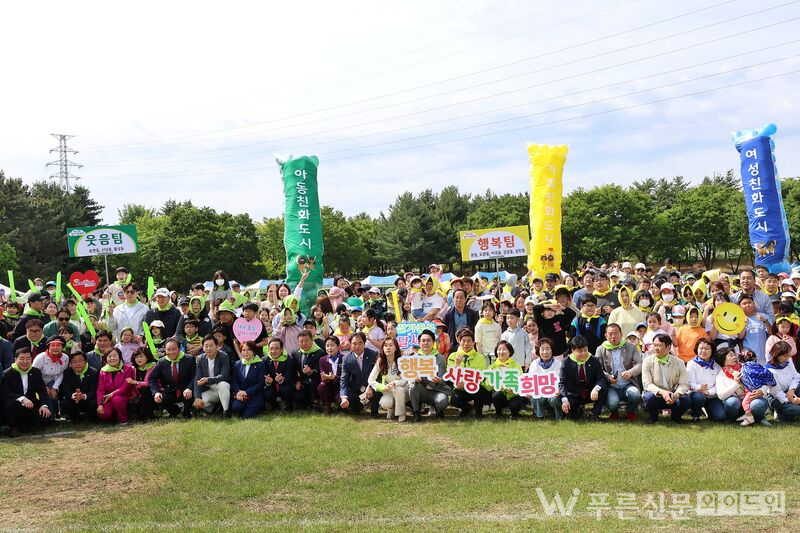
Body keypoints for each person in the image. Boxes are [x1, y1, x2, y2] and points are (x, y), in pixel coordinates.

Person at [595, 323, 642, 422]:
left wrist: (630, 372)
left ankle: (630, 411)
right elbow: (598, 369)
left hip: (628, 384)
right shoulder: (600, 349)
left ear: (621, 334)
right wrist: (608, 377)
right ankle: (614, 412)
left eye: (616, 333)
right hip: (612, 386)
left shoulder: (631, 347)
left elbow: (640, 364)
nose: (613, 336)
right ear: (606, 335)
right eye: (610, 334)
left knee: (635, 394)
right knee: (612, 402)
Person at [1, 347, 51, 437]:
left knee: (44, 416)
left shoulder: (36, 372)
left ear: (31, 359)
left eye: (28, 358)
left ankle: (27, 425)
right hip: (14, 404)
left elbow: (42, 391)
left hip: (30, 404)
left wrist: (44, 405)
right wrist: (22, 398)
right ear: (15, 359)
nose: (25, 361)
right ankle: (13, 427)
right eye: (21, 358)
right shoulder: (7, 373)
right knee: (8, 404)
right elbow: (5, 392)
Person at [641, 334, 690, 424]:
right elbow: (647, 384)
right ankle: (653, 417)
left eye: (659, 345)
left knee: (686, 400)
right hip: (656, 394)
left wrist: (677, 394)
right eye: (654, 345)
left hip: (673, 394)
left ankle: (676, 417)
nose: (656, 348)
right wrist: (662, 392)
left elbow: (684, 383)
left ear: (668, 347)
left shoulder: (679, 362)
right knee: (648, 397)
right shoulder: (647, 361)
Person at [558, 336, 607, 421]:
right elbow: (562, 383)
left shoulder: (594, 360)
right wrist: (564, 399)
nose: (584, 354)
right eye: (580, 351)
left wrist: (596, 388)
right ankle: (577, 410)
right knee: (572, 415)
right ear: (573, 350)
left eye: (585, 350)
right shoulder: (566, 362)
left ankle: (594, 414)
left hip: (590, 392)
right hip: (574, 394)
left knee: (603, 389)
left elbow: (601, 378)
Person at [409, 329, 451, 422]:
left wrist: (439, 380)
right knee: (412, 387)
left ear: (433, 342)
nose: (425, 343)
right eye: (423, 340)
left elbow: (443, 379)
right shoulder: (414, 358)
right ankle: (416, 412)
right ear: (419, 343)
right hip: (421, 391)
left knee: (442, 401)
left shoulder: (440, 358)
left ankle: (438, 409)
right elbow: (409, 377)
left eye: (428, 340)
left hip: (436, 390)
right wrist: (414, 380)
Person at [448, 327, 490, 419]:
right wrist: (457, 364)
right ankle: (467, 408)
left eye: (469, 341)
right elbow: (450, 375)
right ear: (459, 342)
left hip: (475, 387)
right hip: (460, 389)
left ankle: (479, 413)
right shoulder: (452, 356)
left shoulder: (479, 357)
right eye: (463, 341)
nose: (466, 344)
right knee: (454, 399)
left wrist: (467, 383)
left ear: (473, 342)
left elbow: (481, 376)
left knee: (479, 390)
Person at [149, 338, 196, 418]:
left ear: (179, 349)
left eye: (174, 349)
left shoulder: (189, 359)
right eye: (168, 350)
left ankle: (187, 412)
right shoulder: (162, 362)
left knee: (189, 397)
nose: (171, 352)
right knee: (160, 398)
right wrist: (156, 392)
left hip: (186, 390)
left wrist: (189, 388)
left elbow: (195, 376)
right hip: (170, 390)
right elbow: (152, 378)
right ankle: (175, 411)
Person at [685, 338, 726, 422]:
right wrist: (700, 388)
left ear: (712, 350)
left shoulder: (717, 366)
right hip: (697, 393)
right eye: (701, 348)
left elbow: (719, 385)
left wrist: (709, 392)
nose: (703, 351)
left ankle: (710, 412)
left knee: (721, 417)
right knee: (699, 398)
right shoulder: (691, 364)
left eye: (707, 349)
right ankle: (695, 415)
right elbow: (690, 383)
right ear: (697, 349)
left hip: (712, 395)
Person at [367, 338, 408, 421]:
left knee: (398, 389)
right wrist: (382, 387)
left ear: (396, 348)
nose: (388, 347)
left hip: (402, 390)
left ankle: (401, 413)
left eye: (390, 345)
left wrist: (395, 383)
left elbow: (405, 380)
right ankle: (391, 409)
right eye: (385, 345)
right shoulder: (380, 361)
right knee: (385, 403)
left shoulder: (402, 360)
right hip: (388, 391)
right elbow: (371, 379)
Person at [339, 333, 379, 417]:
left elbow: (379, 375)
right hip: (356, 389)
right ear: (350, 344)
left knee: (376, 391)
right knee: (346, 397)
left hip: (371, 387)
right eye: (354, 343)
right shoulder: (346, 359)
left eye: (360, 343)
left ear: (364, 343)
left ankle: (374, 410)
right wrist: (344, 397)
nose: (357, 346)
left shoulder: (373, 355)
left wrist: (371, 387)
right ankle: (358, 407)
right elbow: (344, 380)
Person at [193, 334, 231, 417]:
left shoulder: (224, 356)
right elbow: (197, 379)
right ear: (203, 347)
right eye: (206, 346)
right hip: (210, 389)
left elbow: (224, 376)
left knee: (222, 384)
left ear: (217, 346)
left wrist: (208, 379)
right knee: (201, 403)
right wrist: (197, 397)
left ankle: (226, 411)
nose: (208, 348)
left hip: (222, 387)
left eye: (211, 346)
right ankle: (214, 408)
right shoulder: (199, 359)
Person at [486, 340, 525, 419]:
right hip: (501, 395)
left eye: (504, 349)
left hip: (514, 395)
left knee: (514, 405)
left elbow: (521, 381)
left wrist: (513, 388)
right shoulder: (492, 367)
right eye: (499, 349)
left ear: (509, 351)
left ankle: (515, 414)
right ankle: (498, 413)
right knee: (496, 395)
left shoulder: (516, 365)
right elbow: (488, 386)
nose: (501, 352)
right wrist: (496, 384)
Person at [31, 336, 70, 416]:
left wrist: (54, 388)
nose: (55, 348)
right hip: (39, 382)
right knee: (45, 394)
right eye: (52, 345)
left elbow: (61, 373)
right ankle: (49, 416)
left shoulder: (65, 358)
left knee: (56, 394)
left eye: (58, 345)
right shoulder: (40, 358)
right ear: (48, 346)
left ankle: (59, 413)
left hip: (54, 381)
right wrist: (44, 386)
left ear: (63, 347)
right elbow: (34, 375)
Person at [96, 347, 135, 424]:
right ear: (106, 359)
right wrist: (100, 404)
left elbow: (125, 387)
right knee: (104, 413)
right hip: (108, 397)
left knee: (117, 400)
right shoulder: (103, 371)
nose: (112, 358)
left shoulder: (128, 369)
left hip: (123, 395)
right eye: (109, 356)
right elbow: (100, 390)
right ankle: (113, 417)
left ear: (119, 357)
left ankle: (123, 419)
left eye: (115, 355)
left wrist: (112, 394)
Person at [764, 341, 800, 423]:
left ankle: (788, 411)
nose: (787, 358)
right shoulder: (769, 370)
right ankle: (780, 414)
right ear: (776, 355)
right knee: (797, 409)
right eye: (785, 356)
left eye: (788, 355)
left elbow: (796, 376)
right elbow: (776, 392)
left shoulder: (788, 360)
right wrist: (793, 400)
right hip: (776, 397)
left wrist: (791, 390)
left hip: (790, 390)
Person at [527, 338, 563, 420]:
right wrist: (529, 391)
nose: (545, 352)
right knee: (534, 396)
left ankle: (559, 416)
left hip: (553, 393)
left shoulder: (558, 364)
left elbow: (560, 382)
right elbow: (531, 380)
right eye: (542, 349)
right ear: (538, 351)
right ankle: (539, 416)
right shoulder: (534, 364)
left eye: (548, 349)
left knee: (555, 399)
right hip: (540, 394)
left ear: (552, 350)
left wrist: (558, 391)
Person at [58, 351, 98, 423]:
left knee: (93, 402)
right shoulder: (67, 372)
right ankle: (73, 416)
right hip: (75, 399)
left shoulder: (94, 372)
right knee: (65, 403)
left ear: (86, 361)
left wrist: (83, 396)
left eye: (80, 361)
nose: (77, 364)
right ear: (70, 364)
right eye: (74, 362)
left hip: (87, 399)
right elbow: (66, 389)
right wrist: (74, 395)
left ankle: (91, 416)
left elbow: (94, 390)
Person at [231, 340, 266, 418]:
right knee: (236, 407)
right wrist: (239, 392)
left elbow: (260, 383)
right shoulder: (238, 364)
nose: (246, 352)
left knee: (247, 416)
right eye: (243, 350)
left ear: (254, 351)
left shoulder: (260, 364)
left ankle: (256, 408)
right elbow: (234, 381)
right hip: (241, 395)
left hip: (254, 395)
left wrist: (247, 392)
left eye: (249, 350)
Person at [292, 330, 322, 410]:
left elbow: (319, 372)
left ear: (312, 340)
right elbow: (293, 370)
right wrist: (297, 381)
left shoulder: (320, 353)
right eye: (301, 341)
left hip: (315, 381)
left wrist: (310, 372)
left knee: (312, 382)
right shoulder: (295, 353)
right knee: (297, 398)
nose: (304, 343)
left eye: (306, 340)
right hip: (303, 382)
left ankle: (316, 402)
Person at [740, 294, 772, 364]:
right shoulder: (740, 319)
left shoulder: (763, 316)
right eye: (744, 304)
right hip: (748, 355)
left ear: (754, 304)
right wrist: (743, 324)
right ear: (740, 306)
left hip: (763, 354)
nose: (747, 305)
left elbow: (771, 333)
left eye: (749, 302)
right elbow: (740, 337)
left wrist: (765, 321)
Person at [127, 348, 157, 421]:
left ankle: (148, 416)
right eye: (136, 357)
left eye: (141, 356)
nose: (138, 359)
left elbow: (150, 384)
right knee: (132, 409)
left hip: (153, 395)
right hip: (139, 396)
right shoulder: (133, 368)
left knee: (145, 389)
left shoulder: (154, 366)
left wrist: (136, 382)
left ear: (147, 356)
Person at [317, 336, 344, 415]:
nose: (329, 348)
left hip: (341, 385)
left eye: (332, 345)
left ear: (338, 347)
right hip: (329, 385)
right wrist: (326, 377)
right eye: (327, 346)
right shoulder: (322, 360)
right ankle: (327, 407)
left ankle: (342, 407)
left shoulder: (344, 358)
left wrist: (335, 377)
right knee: (321, 386)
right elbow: (323, 376)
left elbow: (346, 378)